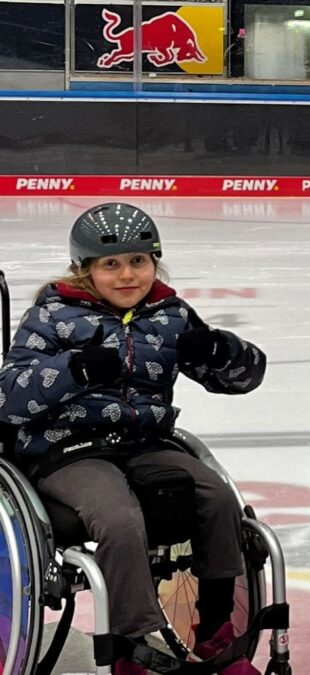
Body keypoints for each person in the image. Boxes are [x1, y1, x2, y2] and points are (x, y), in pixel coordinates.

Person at [0, 203, 266, 675]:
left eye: (139, 261)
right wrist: (75, 370)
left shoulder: (170, 315)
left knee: (217, 498)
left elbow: (242, 378)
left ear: (154, 263)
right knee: (119, 518)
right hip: (69, 449)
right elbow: (9, 396)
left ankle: (217, 634)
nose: (127, 275)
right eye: (111, 265)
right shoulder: (53, 314)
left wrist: (222, 351)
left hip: (144, 442)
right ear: (85, 270)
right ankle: (131, 643)